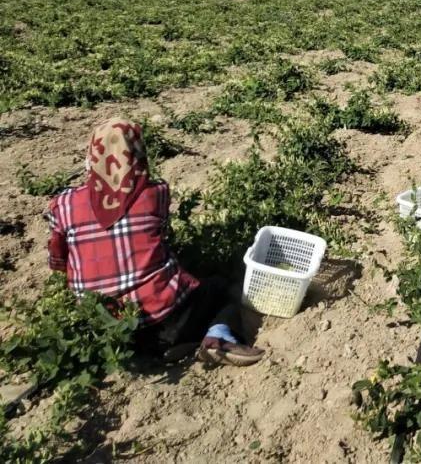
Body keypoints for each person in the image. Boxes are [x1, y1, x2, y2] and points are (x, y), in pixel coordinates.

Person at [47, 118, 263, 366]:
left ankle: (168, 348)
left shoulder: (62, 204)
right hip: (168, 318)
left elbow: (58, 261)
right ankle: (217, 337)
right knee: (219, 288)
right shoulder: (154, 193)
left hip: (104, 327)